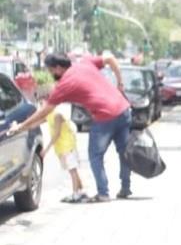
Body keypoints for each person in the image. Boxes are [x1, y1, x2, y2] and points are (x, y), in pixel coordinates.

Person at [8, 52, 133, 202]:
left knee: (95, 155)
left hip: (104, 116)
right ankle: (125, 188)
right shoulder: (85, 63)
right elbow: (110, 58)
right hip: (124, 109)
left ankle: (103, 193)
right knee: (124, 152)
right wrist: (120, 83)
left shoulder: (64, 85)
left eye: (50, 70)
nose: (51, 74)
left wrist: (21, 126)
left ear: (58, 68)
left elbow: (44, 111)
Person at [42, 101, 88, 203]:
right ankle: (81, 191)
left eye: (43, 103)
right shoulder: (48, 115)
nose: (42, 106)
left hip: (67, 146)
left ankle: (76, 194)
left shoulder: (57, 115)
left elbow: (57, 134)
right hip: (62, 148)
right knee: (73, 170)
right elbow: (35, 121)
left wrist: (46, 150)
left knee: (72, 170)